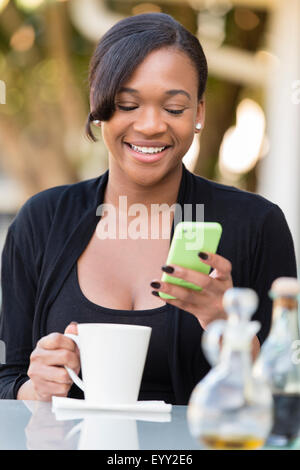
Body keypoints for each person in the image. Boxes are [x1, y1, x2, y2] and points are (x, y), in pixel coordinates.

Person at [0, 13, 297, 404]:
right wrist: (35, 388)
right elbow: (8, 378)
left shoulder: (256, 225)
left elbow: (287, 391)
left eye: (174, 109)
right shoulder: (42, 220)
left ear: (199, 113)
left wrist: (226, 325)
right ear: (98, 104)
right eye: (127, 104)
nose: (152, 125)